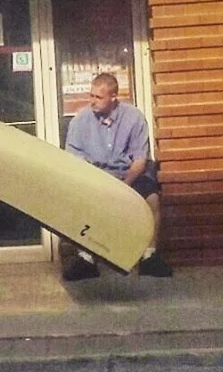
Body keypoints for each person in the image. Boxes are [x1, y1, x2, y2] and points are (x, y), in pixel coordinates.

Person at [62, 72, 173, 281]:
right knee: (78, 198)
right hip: (95, 175)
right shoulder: (80, 121)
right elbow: (74, 158)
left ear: (114, 97)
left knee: (152, 200)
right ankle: (86, 259)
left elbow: (140, 160)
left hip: (129, 174)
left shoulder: (134, 118)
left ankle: (149, 257)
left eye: (98, 97)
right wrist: (97, 181)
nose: (92, 101)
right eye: (91, 95)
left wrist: (125, 185)